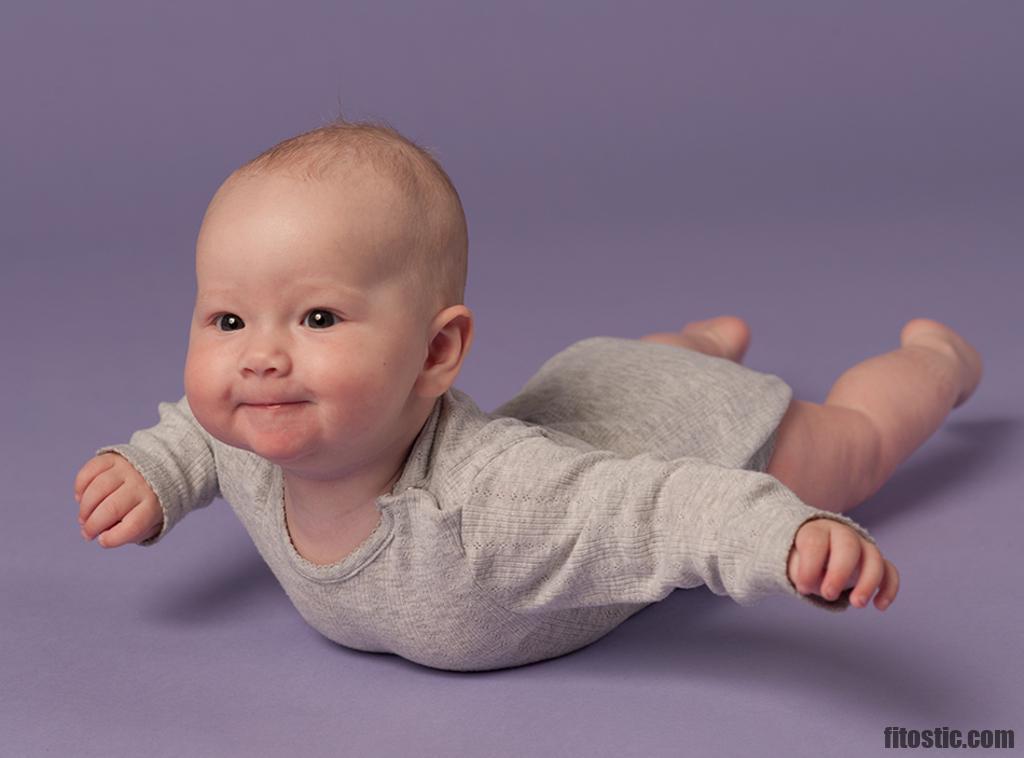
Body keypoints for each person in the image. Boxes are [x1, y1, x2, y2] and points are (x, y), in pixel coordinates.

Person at [72, 119, 982, 671]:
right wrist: (149, 470)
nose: (257, 360)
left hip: (696, 430)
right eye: (227, 322)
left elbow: (665, 509)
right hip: (598, 377)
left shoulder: (499, 505)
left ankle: (935, 363)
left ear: (437, 351)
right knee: (635, 364)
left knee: (852, 447)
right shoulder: (260, 438)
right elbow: (200, 432)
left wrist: (791, 538)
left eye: (315, 318)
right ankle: (705, 339)